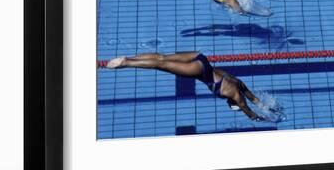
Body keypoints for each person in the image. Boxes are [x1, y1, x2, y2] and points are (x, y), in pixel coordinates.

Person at [106, 51, 281, 122]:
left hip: (202, 58)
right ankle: (127, 63)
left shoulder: (239, 84)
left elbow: (254, 99)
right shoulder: (235, 95)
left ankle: (130, 58)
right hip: (198, 70)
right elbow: (249, 111)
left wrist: (267, 108)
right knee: (162, 65)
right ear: (232, 102)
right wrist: (264, 119)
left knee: (162, 58)